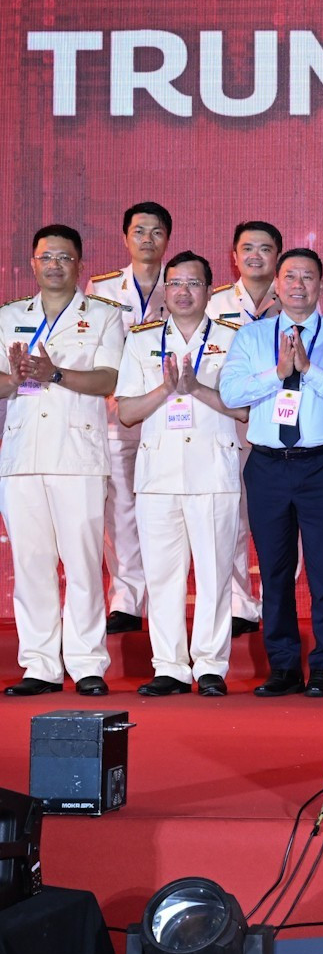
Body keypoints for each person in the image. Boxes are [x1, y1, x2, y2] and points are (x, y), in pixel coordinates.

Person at [218, 248, 323, 697]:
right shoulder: (252, 337)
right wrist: (279, 373)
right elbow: (231, 390)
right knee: (275, 571)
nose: (298, 285)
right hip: (267, 466)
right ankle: (282, 666)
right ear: (276, 284)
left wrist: (309, 370)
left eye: (308, 277)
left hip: (322, 464)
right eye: (290, 277)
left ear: (321, 285)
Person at [0, 225, 127, 696]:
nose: (54, 264)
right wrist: (16, 378)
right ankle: (39, 666)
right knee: (31, 564)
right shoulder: (10, 315)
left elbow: (109, 380)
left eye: (64, 257)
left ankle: (87, 663)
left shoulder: (104, 316)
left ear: (80, 263)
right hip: (22, 456)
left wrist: (53, 372)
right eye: (46, 256)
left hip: (79, 456)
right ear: (33, 263)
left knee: (83, 562)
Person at [115, 251, 248, 696]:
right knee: (162, 576)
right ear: (165, 291)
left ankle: (211, 665)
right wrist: (166, 389)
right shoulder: (140, 340)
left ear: (210, 290)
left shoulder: (235, 338)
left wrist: (196, 390)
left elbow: (246, 409)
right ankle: (169, 667)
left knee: (215, 574)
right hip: (159, 475)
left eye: (193, 283)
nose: (183, 292)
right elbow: (128, 413)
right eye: (174, 284)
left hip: (214, 469)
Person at [92, 201, 170, 635]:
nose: (147, 239)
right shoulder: (102, 289)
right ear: (125, 237)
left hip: (167, 416)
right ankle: (126, 600)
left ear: (166, 239)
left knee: (162, 510)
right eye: (139, 231)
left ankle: (161, 597)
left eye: (156, 232)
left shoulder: (181, 284)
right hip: (116, 412)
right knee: (120, 509)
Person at [209, 220, 284, 635]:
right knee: (231, 520)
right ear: (234, 256)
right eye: (247, 248)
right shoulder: (214, 304)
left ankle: (278, 601)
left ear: (278, 256)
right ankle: (239, 605)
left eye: (266, 248)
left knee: (281, 525)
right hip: (226, 427)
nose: (256, 256)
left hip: (281, 430)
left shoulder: (295, 300)